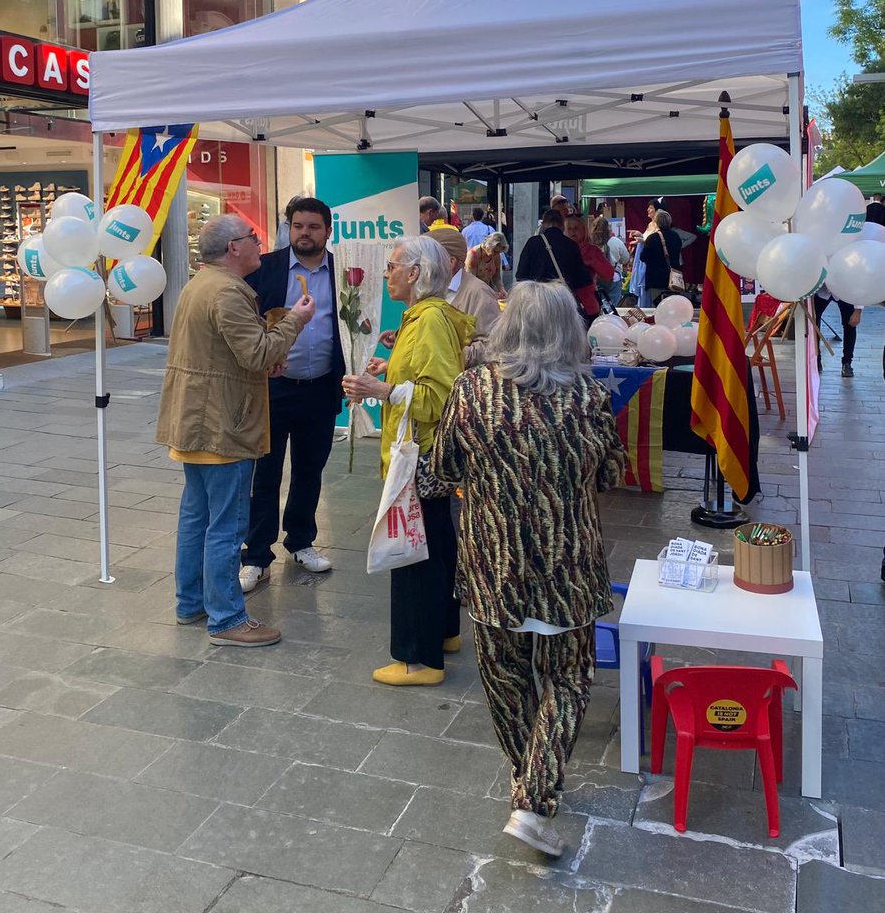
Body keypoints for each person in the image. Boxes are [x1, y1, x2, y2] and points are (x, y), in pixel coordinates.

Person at [431, 281, 626, 858]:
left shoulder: (470, 391)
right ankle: (535, 797)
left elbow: (443, 469)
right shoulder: (586, 397)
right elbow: (611, 473)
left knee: (506, 683)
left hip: (495, 567)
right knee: (569, 678)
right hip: (568, 567)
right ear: (569, 331)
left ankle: (529, 792)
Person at [156, 214, 315, 646]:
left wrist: (267, 348)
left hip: (197, 418)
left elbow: (236, 352)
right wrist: (294, 322)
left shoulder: (202, 283)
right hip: (221, 423)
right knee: (226, 524)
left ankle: (192, 602)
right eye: (252, 238)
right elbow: (256, 354)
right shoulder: (227, 290)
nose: (259, 244)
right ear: (233, 248)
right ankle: (226, 618)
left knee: (197, 517)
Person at [342, 237, 473, 686]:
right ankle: (444, 632)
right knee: (435, 542)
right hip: (423, 450)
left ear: (416, 273)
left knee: (412, 550)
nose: (386, 273)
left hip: (420, 450)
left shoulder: (430, 318)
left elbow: (441, 395)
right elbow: (422, 374)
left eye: (393, 266)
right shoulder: (424, 315)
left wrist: (383, 391)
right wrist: (390, 368)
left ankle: (418, 659)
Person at [239, 197, 346, 593]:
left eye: (313, 227)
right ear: (289, 227)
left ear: (327, 231)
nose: (305, 233)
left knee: (309, 471)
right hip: (272, 390)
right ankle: (256, 555)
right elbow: (244, 320)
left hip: (320, 387)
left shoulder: (342, 272)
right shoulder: (264, 268)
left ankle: (300, 541)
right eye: (298, 226)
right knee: (264, 473)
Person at [429, 226, 500, 365]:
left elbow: (491, 345)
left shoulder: (479, 294)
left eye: (426, 258)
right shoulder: (431, 288)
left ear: (451, 262)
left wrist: (443, 357)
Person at [515, 208, 591, 302]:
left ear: (543, 225)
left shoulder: (532, 243)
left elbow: (521, 275)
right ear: (562, 226)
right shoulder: (571, 245)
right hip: (563, 300)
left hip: (538, 300)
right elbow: (582, 280)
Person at [564, 216, 615, 321]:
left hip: (587, 305)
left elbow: (608, 274)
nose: (572, 231)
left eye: (576, 228)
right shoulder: (560, 249)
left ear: (584, 230)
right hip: (565, 305)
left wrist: (592, 262)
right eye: (569, 229)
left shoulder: (592, 250)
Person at [639, 209, 682, 306]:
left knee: (658, 305)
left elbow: (643, 257)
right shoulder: (675, 236)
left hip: (655, 278)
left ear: (657, 223)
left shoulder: (652, 238)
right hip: (672, 278)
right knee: (673, 305)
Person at [589, 215, 630, 309]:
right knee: (610, 306)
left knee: (597, 304)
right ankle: (607, 320)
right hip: (613, 277)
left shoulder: (590, 242)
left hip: (595, 277)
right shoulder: (615, 241)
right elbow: (625, 259)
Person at [467, 231, 509, 296]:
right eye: (495, 251)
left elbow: (497, 277)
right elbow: (471, 281)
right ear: (489, 246)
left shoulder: (497, 256)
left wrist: (501, 289)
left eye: (499, 252)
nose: (497, 254)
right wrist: (489, 293)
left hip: (488, 289)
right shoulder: (473, 254)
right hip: (473, 293)